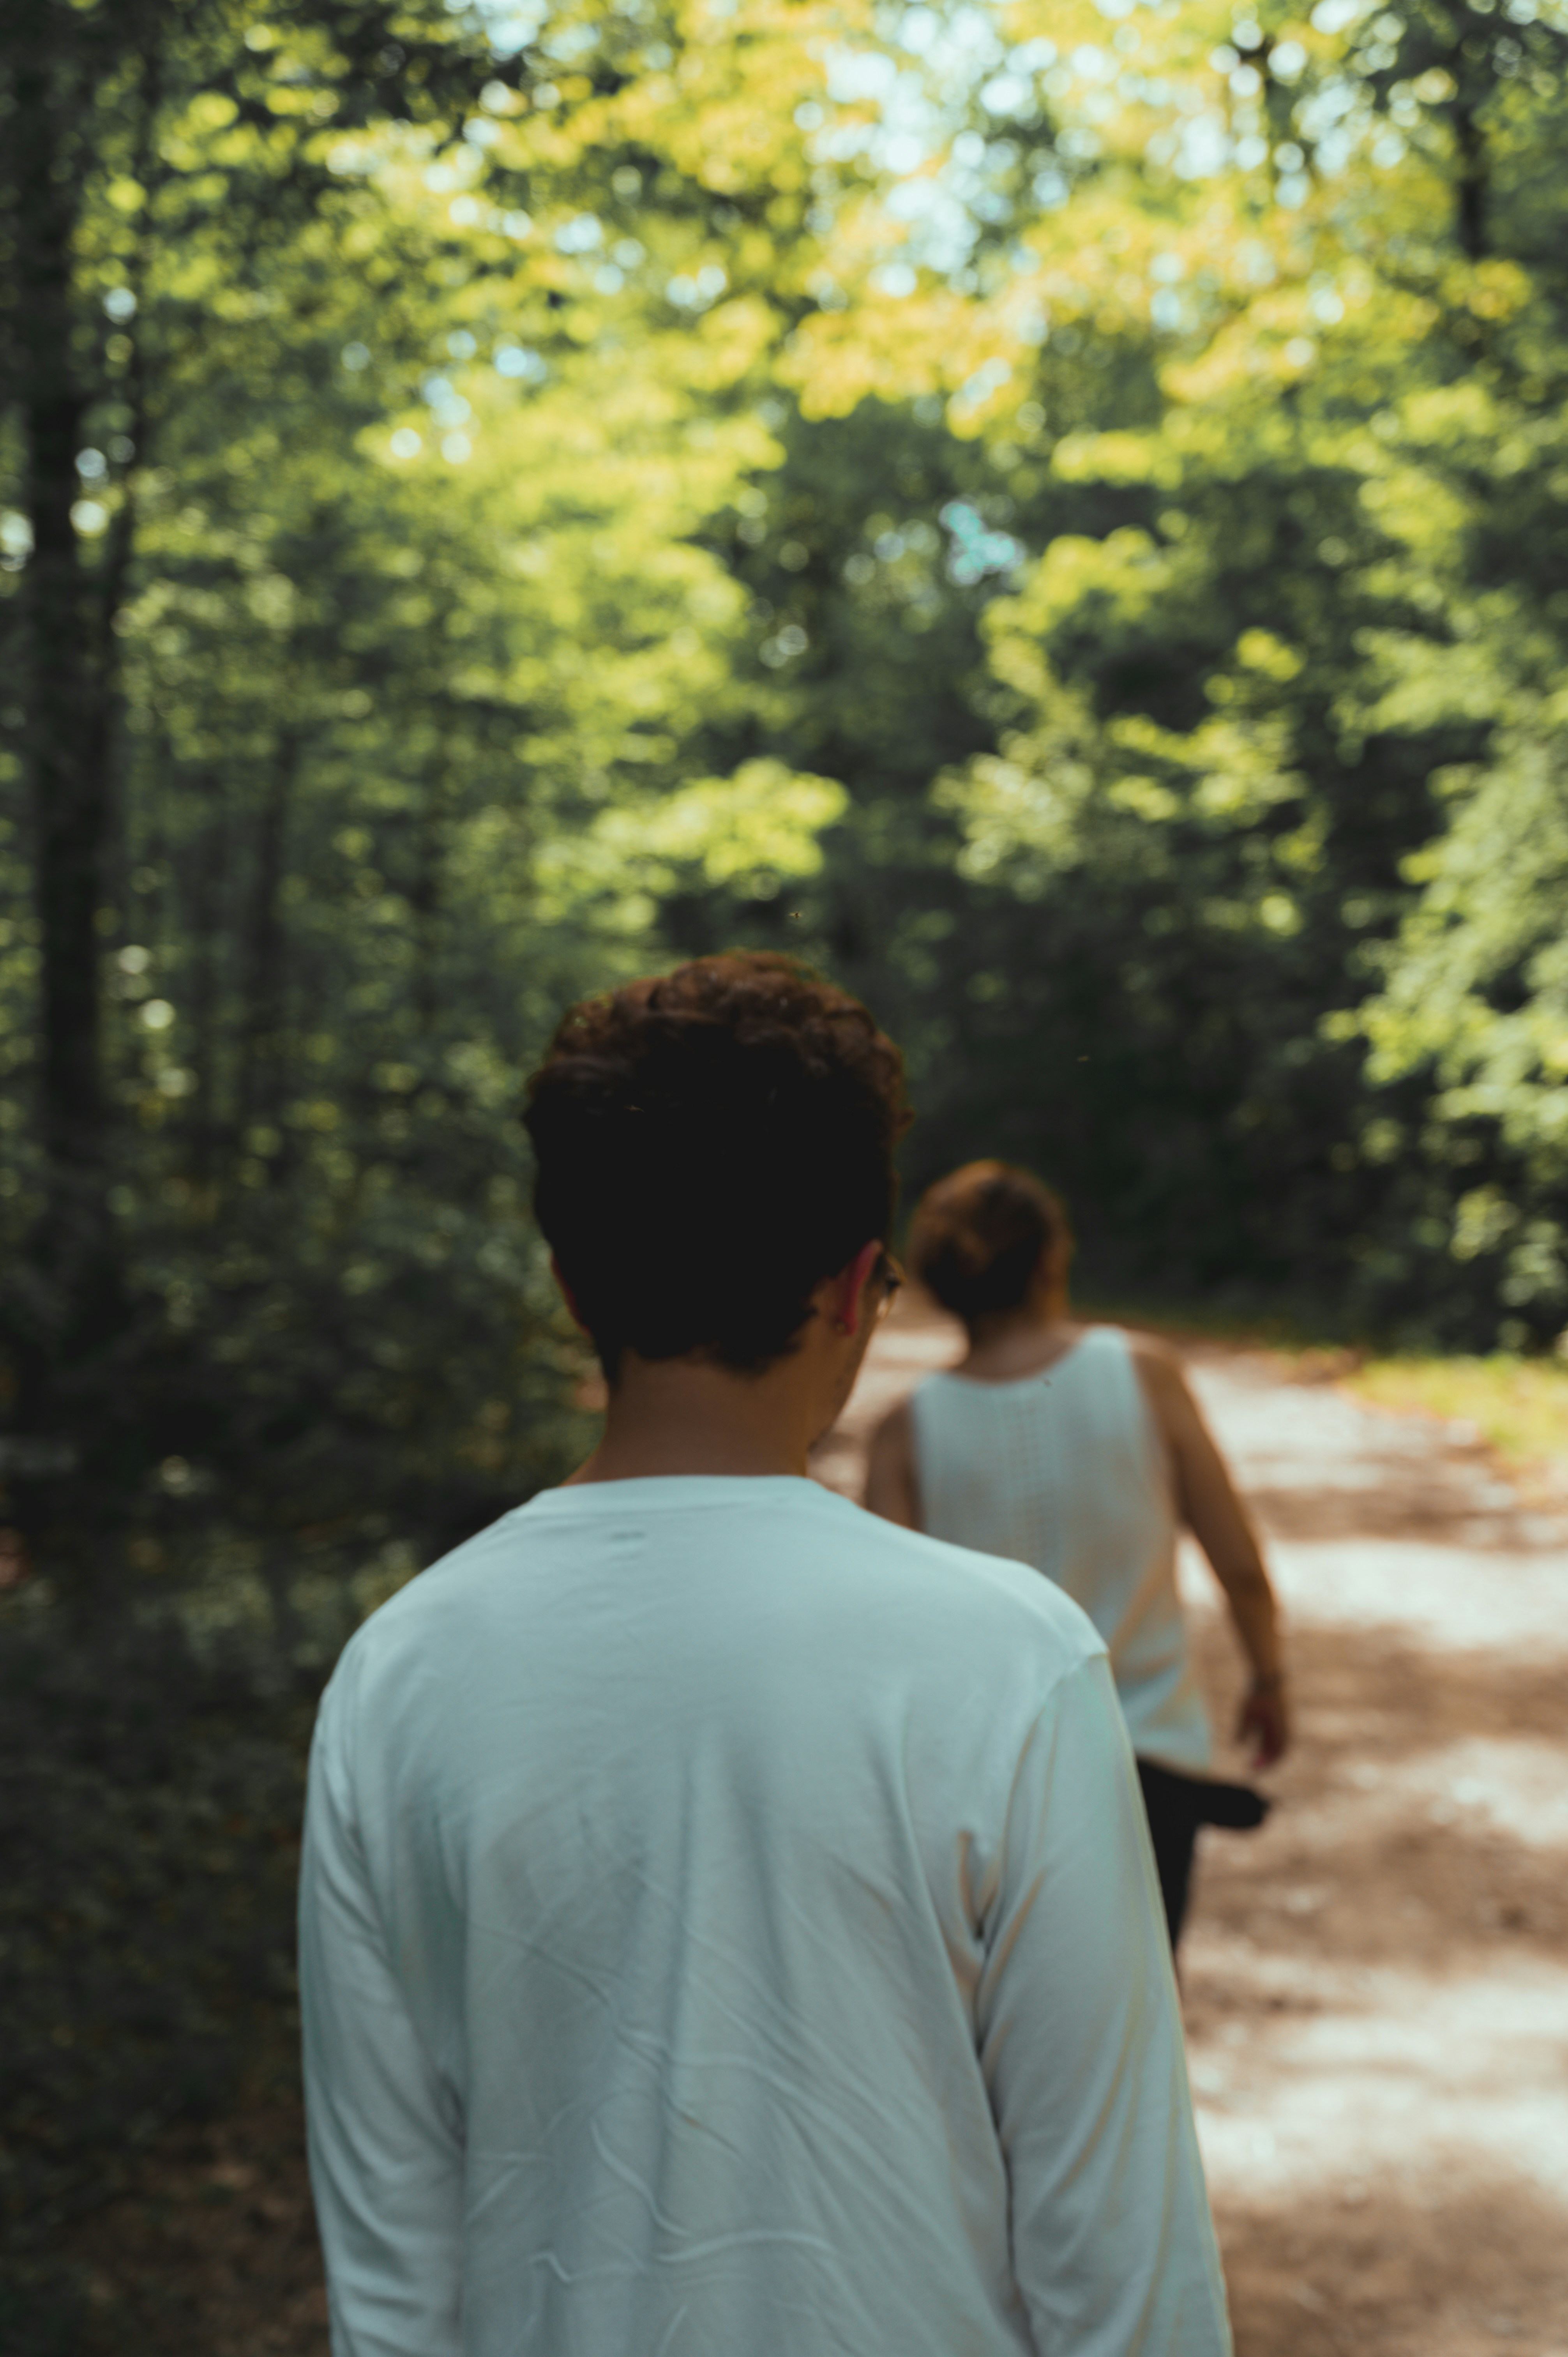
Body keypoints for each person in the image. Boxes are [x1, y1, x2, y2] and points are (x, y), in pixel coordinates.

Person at [299, 956, 1231, 2357]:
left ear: (569, 1279)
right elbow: (1120, 2250)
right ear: (858, 1286)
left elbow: (391, 2264)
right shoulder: (1010, 1656)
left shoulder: (400, 1668)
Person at [866, 1160, 1288, 1950]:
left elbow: (885, 1640)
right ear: (1050, 1261)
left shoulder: (907, 1430)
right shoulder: (1141, 1374)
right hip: (1145, 1772)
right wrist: (1266, 1677)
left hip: (983, 1792)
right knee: (1136, 2040)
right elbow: (1236, 1563)